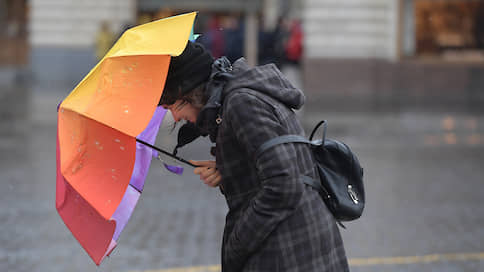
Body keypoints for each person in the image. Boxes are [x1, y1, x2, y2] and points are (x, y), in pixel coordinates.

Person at [159, 41, 349, 272]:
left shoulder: (240, 103)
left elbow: (284, 185)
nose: (175, 118)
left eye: (171, 106)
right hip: (299, 243)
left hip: (289, 252)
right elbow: (279, 161)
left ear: (189, 94)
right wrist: (229, 170)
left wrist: (236, 243)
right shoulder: (239, 96)